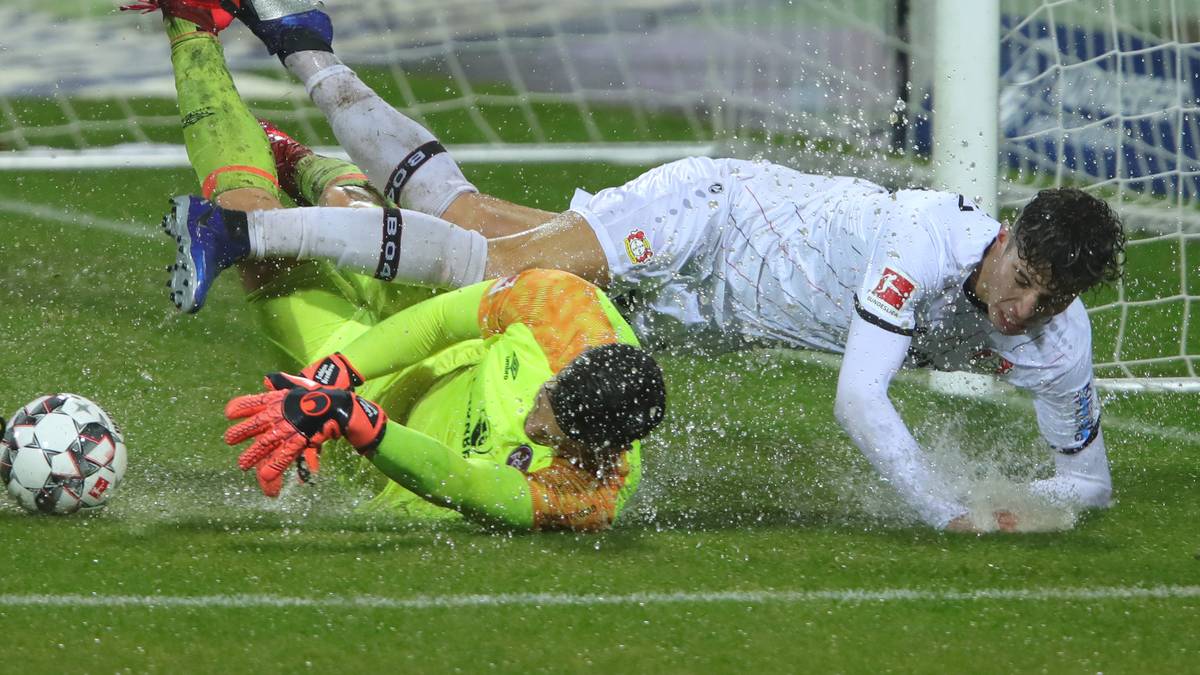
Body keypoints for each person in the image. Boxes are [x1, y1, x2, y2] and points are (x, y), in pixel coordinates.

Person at [146, 0, 1125, 533]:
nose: (1023, 308)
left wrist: (1049, 506)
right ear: (1004, 239)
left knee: (462, 211)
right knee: (485, 264)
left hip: (697, 306)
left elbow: (1087, 479)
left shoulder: (1055, 341)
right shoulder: (926, 244)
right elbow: (860, 400)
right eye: (1024, 278)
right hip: (710, 222)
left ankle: (300, 43)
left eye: (1051, 298)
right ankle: (240, 235)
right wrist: (947, 510)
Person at [134, 0, 667, 531]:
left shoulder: (585, 498)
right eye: (546, 395)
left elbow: (460, 480)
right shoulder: (565, 309)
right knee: (361, 217)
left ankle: (192, 31)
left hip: (378, 416)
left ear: (596, 446)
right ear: (568, 368)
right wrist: (337, 373)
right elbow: (442, 320)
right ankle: (293, 152)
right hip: (430, 333)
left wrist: (351, 415)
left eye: (551, 430)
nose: (534, 419)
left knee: (256, 230)